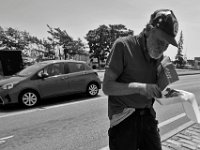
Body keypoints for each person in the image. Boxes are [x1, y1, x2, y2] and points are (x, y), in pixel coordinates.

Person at [102, 9, 179, 150]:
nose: (162, 48)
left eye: (167, 44)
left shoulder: (160, 59)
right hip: (123, 118)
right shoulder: (123, 46)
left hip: (148, 116)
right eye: (160, 41)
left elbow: (158, 91)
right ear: (149, 30)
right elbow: (107, 87)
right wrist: (139, 87)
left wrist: (166, 82)